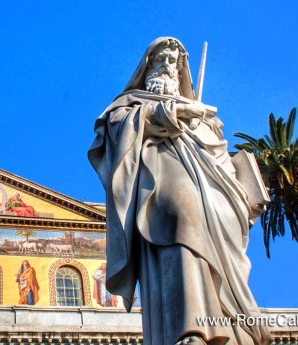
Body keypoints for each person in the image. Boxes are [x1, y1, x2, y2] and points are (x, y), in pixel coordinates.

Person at [88, 37, 270, 345]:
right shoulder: (129, 104)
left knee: (203, 227)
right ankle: (190, 327)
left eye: (174, 62)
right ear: (147, 66)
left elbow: (219, 155)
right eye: (162, 59)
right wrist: (162, 115)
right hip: (159, 174)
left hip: (210, 188)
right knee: (177, 218)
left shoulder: (203, 114)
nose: (168, 66)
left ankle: (227, 322)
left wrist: (240, 190)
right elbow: (114, 131)